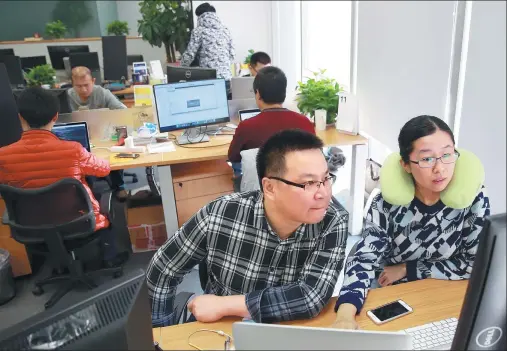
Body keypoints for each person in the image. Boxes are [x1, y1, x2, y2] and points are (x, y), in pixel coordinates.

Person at [147, 129, 348, 327]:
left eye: (326, 179)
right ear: (270, 188)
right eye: (309, 183)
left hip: (290, 328)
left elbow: (311, 296)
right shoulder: (221, 213)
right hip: (223, 329)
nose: (323, 193)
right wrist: (162, 334)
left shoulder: (332, 221)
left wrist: (224, 305)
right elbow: (162, 269)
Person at [333, 115, 490, 330]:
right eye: (427, 159)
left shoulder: (474, 200)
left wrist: (410, 269)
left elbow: (475, 265)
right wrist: (344, 316)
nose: (440, 168)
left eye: (447, 155)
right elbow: (363, 260)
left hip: (444, 291)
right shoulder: (385, 204)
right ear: (406, 164)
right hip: (391, 294)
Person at [0, 87, 126, 267]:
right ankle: (110, 259)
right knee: (103, 190)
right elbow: (104, 169)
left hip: (30, 229)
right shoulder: (73, 150)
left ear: (20, 117)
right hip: (79, 223)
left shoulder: (2, 156)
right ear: (55, 117)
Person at [227, 66, 315, 180]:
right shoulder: (305, 123)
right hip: (300, 189)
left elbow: (233, 157)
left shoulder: (247, 126)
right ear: (284, 92)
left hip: (263, 191)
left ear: (257, 94)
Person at [67, 66, 128, 201]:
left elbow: (123, 111)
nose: (83, 89)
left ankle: (119, 186)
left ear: (93, 81)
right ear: (72, 84)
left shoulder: (102, 93)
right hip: (78, 139)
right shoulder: (67, 97)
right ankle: (88, 190)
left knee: (114, 149)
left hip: (103, 136)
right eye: (79, 86)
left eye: (86, 85)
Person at [180, 3, 235, 84]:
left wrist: (181, 70)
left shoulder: (199, 31)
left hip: (209, 80)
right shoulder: (225, 30)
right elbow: (232, 55)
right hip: (226, 79)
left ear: (199, 16)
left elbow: (190, 55)